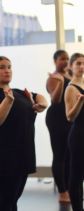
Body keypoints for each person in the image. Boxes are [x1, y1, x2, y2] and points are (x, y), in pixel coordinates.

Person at [0, 56, 48, 211]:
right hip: (4, 154)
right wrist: (8, 101)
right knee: (6, 201)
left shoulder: (18, 92)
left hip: (23, 153)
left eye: (9, 67)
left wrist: (43, 104)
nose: (7, 70)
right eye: (2, 67)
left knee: (13, 202)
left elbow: (38, 96)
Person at [46, 50, 72, 202]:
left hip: (69, 118)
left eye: (67, 58)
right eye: (62, 59)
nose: (65, 61)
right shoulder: (54, 78)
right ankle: (62, 192)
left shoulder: (71, 76)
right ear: (55, 60)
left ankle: (68, 189)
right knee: (60, 155)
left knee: (69, 155)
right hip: (57, 118)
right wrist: (61, 81)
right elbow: (56, 99)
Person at [64, 53, 84, 211]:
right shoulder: (71, 88)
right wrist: (80, 102)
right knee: (76, 175)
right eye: (78, 63)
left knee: (81, 176)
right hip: (78, 136)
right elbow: (70, 117)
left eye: (83, 63)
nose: (82, 66)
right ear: (71, 66)